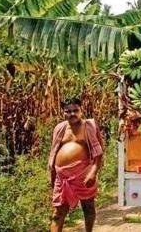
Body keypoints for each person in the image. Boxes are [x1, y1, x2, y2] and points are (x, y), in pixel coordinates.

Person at [48, 97, 104, 232]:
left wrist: (93, 172)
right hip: (62, 178)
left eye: (75, 110)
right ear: (63, 112)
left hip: (83, 175)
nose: (72, 114)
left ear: (81, 110)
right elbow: (53, 152)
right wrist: (52, 176)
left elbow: (99, 152)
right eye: (68, 111)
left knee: (88, 208)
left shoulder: (89, 126)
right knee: (57, 213)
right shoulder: (60, 128)